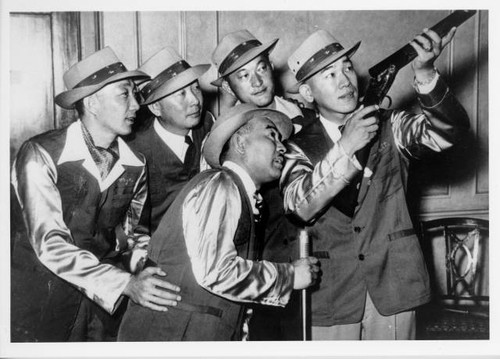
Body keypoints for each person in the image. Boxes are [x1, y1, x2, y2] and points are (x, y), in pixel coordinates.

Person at [280, 28, 470, 340]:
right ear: (307, 94)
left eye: (346, 68)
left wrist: (425, 74)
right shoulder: (296, 147)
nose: (344, 80)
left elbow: (449, 133)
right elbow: (298, 208)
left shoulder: (391, 125)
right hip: (331, 294)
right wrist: (345, 147)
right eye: (329, 74)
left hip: (396, 284)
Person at [10, 47, 181, 342]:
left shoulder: (135, 163)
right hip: (42, 301)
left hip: (102, 311)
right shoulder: (40, 154)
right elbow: (50, 243)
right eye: (124, 94)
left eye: (136, 94)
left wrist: (148, 270)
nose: (137, 105)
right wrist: (126, 283)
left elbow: (133, 235)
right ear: (92, 102)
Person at [118, 104, 319, 341]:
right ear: (241, 144)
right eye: (271, 136)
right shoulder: (220, 185)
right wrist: (288, 276)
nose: (282, 147)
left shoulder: (240, 193)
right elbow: (215, 271)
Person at [211, 28, 315, 340]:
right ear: (229, 87)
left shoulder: (305, 116)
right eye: (243, 75)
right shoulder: (225, 141)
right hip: (262, 268)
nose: (257, 82)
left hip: (316, 256)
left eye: (261, 68)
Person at [127, 47, 213, 234]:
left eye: (195, 88)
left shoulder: (209, 126)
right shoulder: (134, 151)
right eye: (181, 93)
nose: (195, 101)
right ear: (156, 107)